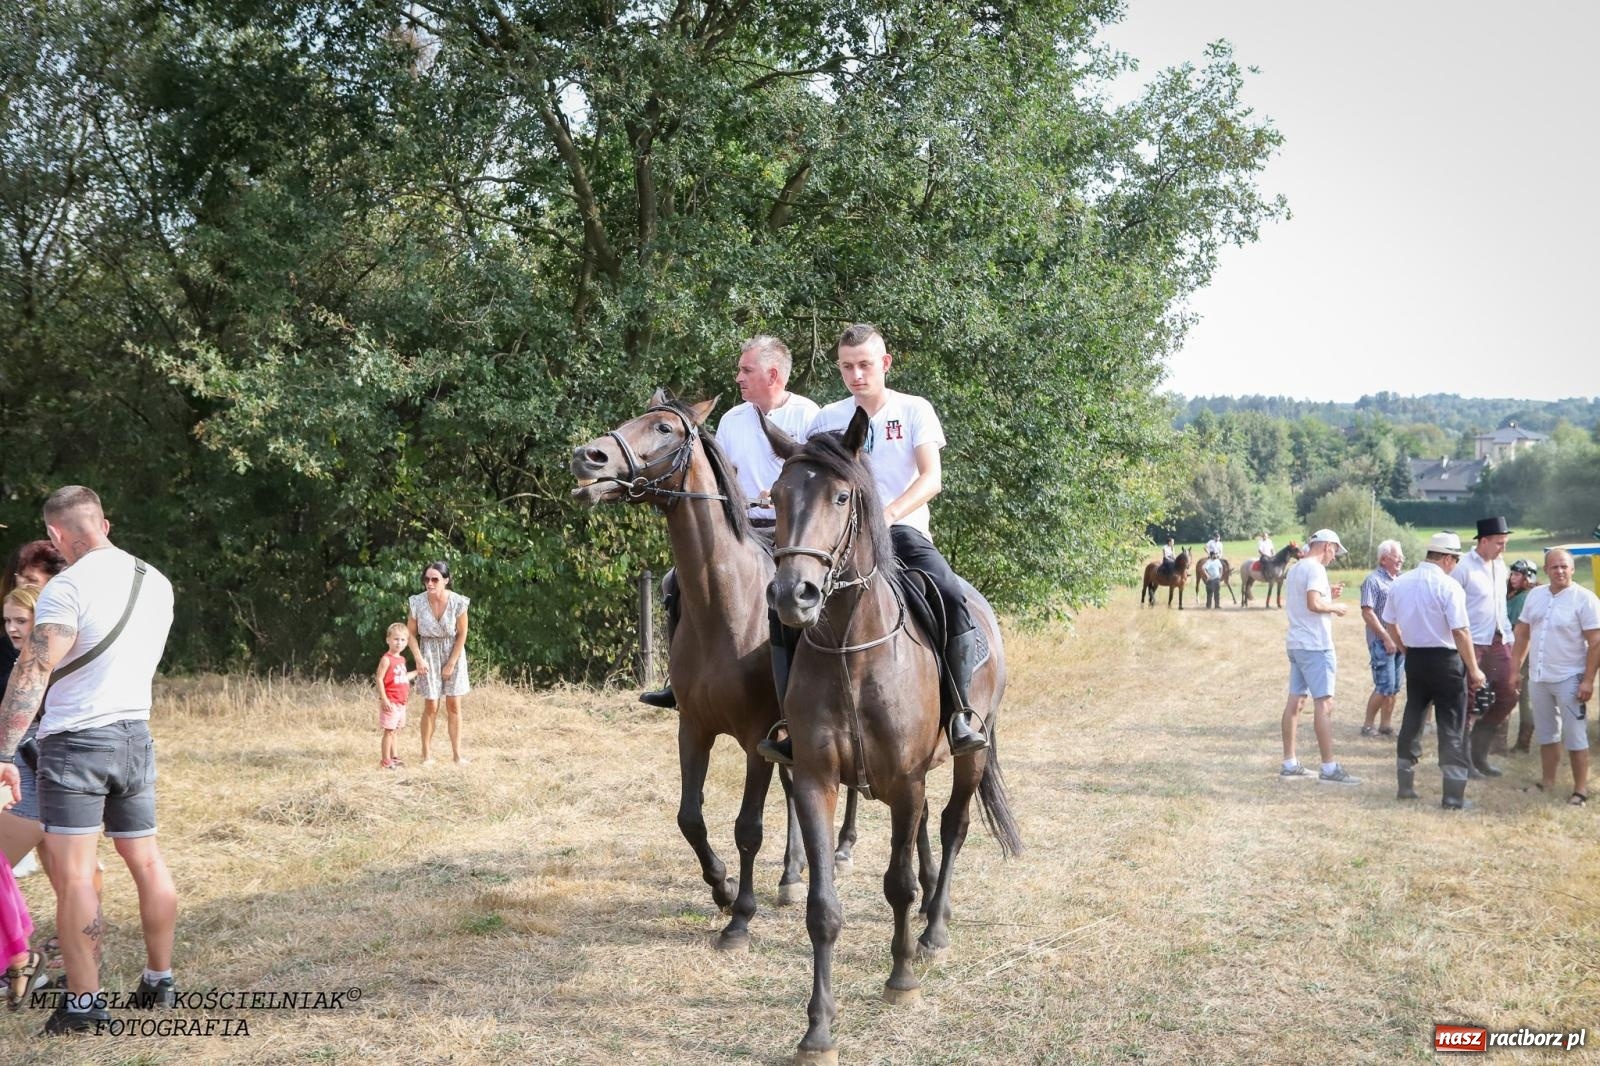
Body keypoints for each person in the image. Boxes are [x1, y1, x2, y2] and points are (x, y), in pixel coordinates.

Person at [0, 486, 180, 1033]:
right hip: (136, 734)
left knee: (76, 875)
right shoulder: (157, 581)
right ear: (104, 521)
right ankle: (159, 979)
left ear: (57, 535)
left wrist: (4, 750)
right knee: (146, 860)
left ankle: (84, 1005)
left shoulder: (67, 589)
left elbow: (32, 673)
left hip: (76, 742)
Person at [768, 323, 986, 761]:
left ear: (884, 363)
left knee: (948, 592)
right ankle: (790, 722)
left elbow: (931, 478)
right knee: (781, 607)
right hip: (840, 540)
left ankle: (959, 711)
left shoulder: (913, 410)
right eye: (847, 367)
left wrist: (886, 516)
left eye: (865, 365)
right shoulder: (826, 418)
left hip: (902, 531)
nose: (856, 375)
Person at [639, 335, 819, 709]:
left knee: (791, 592)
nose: (738, 377)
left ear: (773, 375)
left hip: (788, 532)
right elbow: (721, 477)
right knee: (675, 581)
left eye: (746, 370)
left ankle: (803, 687)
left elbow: (816, 476)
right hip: (741, 528)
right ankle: (679, 681)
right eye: (740, 369)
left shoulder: (808, 416)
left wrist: (778, 492)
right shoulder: (734, 419)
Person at [1382, 531, 1485, 810]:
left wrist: (1405, 649)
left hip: (1415, 659)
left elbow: (1390, 624)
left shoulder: (1400, 583)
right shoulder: (1449, 586)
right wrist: (1474, 670)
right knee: (1450, 724)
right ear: (1449, 558)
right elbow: (1461, 632)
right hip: (1446, 661)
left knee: (1413, 717)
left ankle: (1405, 787)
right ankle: (1452, 797)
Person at [1511, 549, 1600, 805]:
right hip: (1539, 677)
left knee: (1575, 735)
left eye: (1564, 567)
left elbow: (1596, 642)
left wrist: (1588, 680)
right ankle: (1547, 781)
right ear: (1546, 570)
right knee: (1547, 733)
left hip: (1570, 677)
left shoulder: (1585, 599)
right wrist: (1516, 669)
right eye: (1554, 567)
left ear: (1572, 569)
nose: (1560, 571)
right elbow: (1523, 633)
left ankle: (1580, 790)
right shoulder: (1535, 596)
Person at [1278, 529, 1357, 784]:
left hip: (1297, 643)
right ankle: (1329, 768)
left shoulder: (1297, 568)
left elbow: (1306, 600)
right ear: (1327, 546)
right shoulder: (1315, 569)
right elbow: (1313, 605)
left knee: (1296, 702)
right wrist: (1335, 607)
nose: (1334, 557)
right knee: (1324, 704)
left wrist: (1327, 595)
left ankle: (1290, 763)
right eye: (1335, 551)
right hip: (1315, 645)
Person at [1452, 516, 1518, 778]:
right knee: (1467, 701)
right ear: (1484, 540)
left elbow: (1500, 605)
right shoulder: (1463, 568)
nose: (1503, 547)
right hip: (1472, 641)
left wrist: (1509, 637)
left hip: (1499, 638)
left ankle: (1479, 754)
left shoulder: (1500, 566)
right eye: (1499, 543)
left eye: (1505, 542)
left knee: (1508, 693)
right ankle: (1464, 760)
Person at [407, 560, 470, 765]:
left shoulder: (458, 602)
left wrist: (452, 662)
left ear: (446, 580)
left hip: (453, 651)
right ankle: (426, 755)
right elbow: (410, 633)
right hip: (428, 653)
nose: (430, 583)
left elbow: (462, 633)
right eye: (427, 579)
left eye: (435, 579)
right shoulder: (416, 602)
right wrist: (418, 658)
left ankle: (457, 756)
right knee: (431, 705)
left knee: (453, 705)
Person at [0, 540, 68, 696]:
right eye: (20, 577)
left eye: (32, 580)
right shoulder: (8, 640)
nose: (22, 585)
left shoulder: (66, 629)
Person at [1359, 540, 1406, 738]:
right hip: (1382, 641)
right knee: (1384, 685)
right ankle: (1368, 726)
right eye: (1397, 556)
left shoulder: (1402, 580)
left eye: (1401, 556)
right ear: (1384, 559)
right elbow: (1368, 613)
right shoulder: (1373, 581)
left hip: (1401, 641)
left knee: (1394, 687)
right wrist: (1386, 638)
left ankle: (1385, 725)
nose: (1401, 559)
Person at [1506, 559, 1539, 753]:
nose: (1512, 578)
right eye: (1512, 574)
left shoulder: (1526, 598)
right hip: (1512, 648)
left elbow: (1520, 631)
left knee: (1525, 697)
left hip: (1524, 652)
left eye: (1517, 574)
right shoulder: (1513, 595)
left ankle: (1523, 744)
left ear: (1528, 577)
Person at [375, 622, 414, 770]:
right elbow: (379, 678)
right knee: (389, 731)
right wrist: (384, 699)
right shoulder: (387, 659)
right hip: (390, 701)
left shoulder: (402, 660)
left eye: (403, 640)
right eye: (396, 639)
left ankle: (394, 757)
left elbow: (403, 677)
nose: (399, 643)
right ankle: (385, 760)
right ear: (388, 640)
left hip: (401, 702)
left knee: (395, 731)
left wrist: (417, 672)